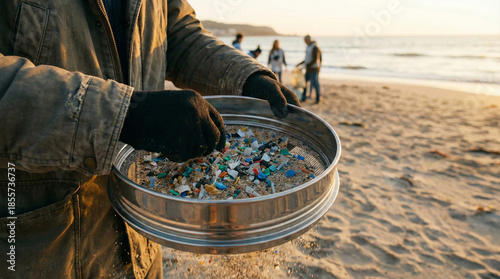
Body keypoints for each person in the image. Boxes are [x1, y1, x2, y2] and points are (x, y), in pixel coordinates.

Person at [0, 1, 300, 278]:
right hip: (40, 241)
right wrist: (124, 113)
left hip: (138, 232)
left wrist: (244, 76)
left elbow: (178, 32)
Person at [297, 35, 322, 103]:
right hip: (308, 69)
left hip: (313, 69)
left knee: (315, 83)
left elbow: (315, 59)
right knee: (304, 83)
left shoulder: (314, 47)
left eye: (305, 40)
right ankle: (304, 97)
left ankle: (317, 99)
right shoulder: (308, 47)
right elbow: (307, 58)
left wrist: (307, 65)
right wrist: (300, 63)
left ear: (309, 40)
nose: (305, 42)